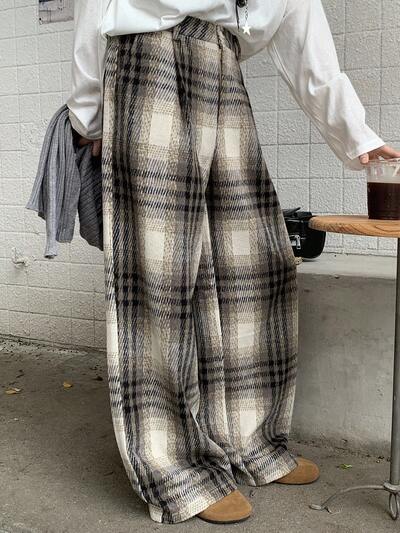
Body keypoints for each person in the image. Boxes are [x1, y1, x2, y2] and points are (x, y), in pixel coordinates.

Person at [66, 0, 400, 526]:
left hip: (222, 66)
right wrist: (88, 114)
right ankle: (175, 468)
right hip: (144, 60)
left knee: (257, 266)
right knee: (161, 276)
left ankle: (250, 441)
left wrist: (357, 135)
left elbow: (306, 43)